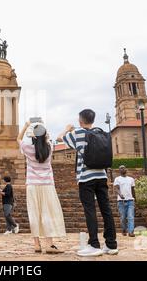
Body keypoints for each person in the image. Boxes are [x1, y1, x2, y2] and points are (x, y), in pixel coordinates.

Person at [58, 109, 118, 257]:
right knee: (106, 210)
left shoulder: (78, 133)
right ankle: (111, 245)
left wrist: (67, 129)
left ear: (80, 120)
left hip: (86, 177)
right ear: (92, 119)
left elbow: (60, 138)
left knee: (90, 210)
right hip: (102, 175)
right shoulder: (101, 133)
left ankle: (94, 244)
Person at [18, 121, 65, 254]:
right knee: (47, 214)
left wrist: (27, 126)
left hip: (32, 185)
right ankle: (49, 244)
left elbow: (18, 139)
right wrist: (42, 134)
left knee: (34, 214)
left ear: (33, 137)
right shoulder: (49, 147)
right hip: (47, 185)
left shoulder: (28, 148)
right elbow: (47, 138)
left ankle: (37, 244)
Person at [114, 165, 136, 237]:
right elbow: (116, 188)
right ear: (119, 171)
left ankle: (131, 232)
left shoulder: (131, 179)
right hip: (121, 201)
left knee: (130, 217)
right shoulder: (117, 179)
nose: (123, 169)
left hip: (130, 201)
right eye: (121, 168)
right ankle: (124, 229)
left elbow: (133, 190)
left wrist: (135, 199)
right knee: (123, 217)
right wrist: (120, 194)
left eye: (124, 168)